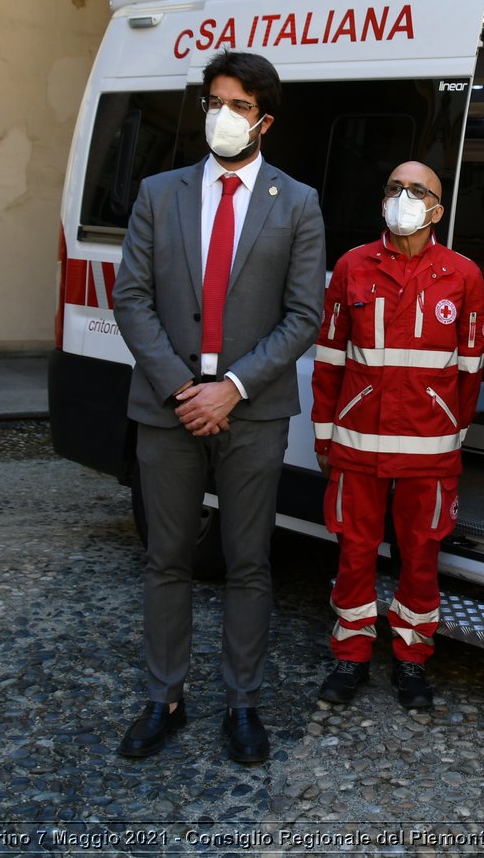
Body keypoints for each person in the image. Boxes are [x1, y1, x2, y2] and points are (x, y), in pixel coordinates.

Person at [111, 50, 325, 763]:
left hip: (251, 410)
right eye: (213, 101)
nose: (221, 115)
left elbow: (303, 315)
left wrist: (230, 387)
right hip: (167, 404)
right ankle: (163, 696)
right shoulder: (158, 192)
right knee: (166, 558)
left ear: (264, 119)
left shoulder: (296, 201)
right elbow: (131, 299)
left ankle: (243, 703)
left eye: (237, 104)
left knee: (247, 561)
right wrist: (182, 388)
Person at [310, 160, 484, 710]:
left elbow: (470, 370)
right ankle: (352, 655)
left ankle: (412, 660)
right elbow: (329, 359)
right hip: (357, 445)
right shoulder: (351, 267)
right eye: (394, 188)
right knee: (354, 554)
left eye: (417, 190)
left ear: (438, 208)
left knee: (420, 557)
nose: (403, 197)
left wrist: (451, 435)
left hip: (429, 453)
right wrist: (324, 438)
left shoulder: (463, 275)